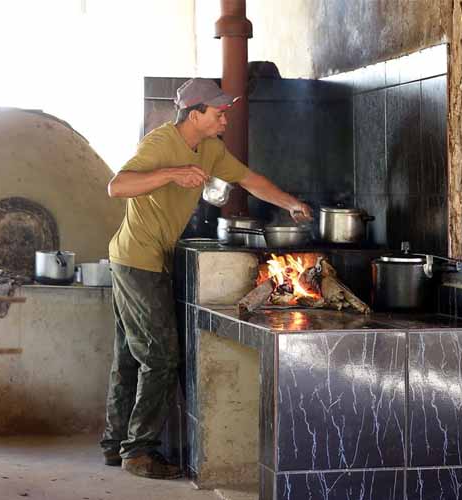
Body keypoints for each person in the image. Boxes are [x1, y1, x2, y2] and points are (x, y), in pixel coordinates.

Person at [101, 78, 312, 480]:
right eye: (218, 112)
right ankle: (139, 452)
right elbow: (117, 186)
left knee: (132, 354)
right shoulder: (162, 143)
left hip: (146, 258)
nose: (225, 118)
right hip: (136, 259)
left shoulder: (212, 149)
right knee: (160, 356)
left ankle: (116, 445)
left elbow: (249, 180)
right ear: (195, 114)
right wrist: (171, 173)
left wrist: (291, 203)